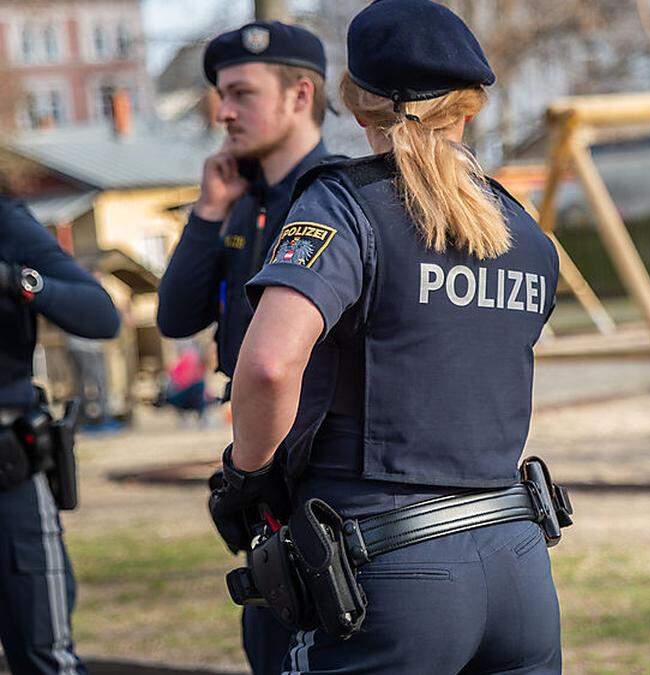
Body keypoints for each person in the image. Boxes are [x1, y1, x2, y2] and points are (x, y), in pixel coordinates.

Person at [211, 1, 565, 670]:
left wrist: (248, 474)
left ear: (355, 102)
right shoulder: (526, 234)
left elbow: (268, 364)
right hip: (519, 560)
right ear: (467, 108)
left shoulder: (343, 206)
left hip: (389, 570)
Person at [155, 20, 331, 674]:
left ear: (299, 95)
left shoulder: (338, 196)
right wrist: (207, 212)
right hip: (262, 486)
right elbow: (176, 315)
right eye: (219, 95)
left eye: (241, 93)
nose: (222, 110)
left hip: (323, 472)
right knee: (268, 646)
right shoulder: (240, 201)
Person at [0, 193, 120, 675]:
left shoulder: (6, 221)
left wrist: (15, 281)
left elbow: (100, 314)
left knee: (45, 658)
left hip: (9, 477)